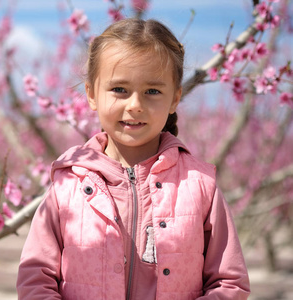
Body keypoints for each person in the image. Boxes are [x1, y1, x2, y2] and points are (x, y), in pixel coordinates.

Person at [16, 18, 250, 300]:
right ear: (91, 94)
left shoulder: (200, 187)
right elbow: (35, 278)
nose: (135, 105)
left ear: (175, 98)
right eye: (119, 90)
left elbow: (229, 284)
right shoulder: (67, 186)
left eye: (153, 91)